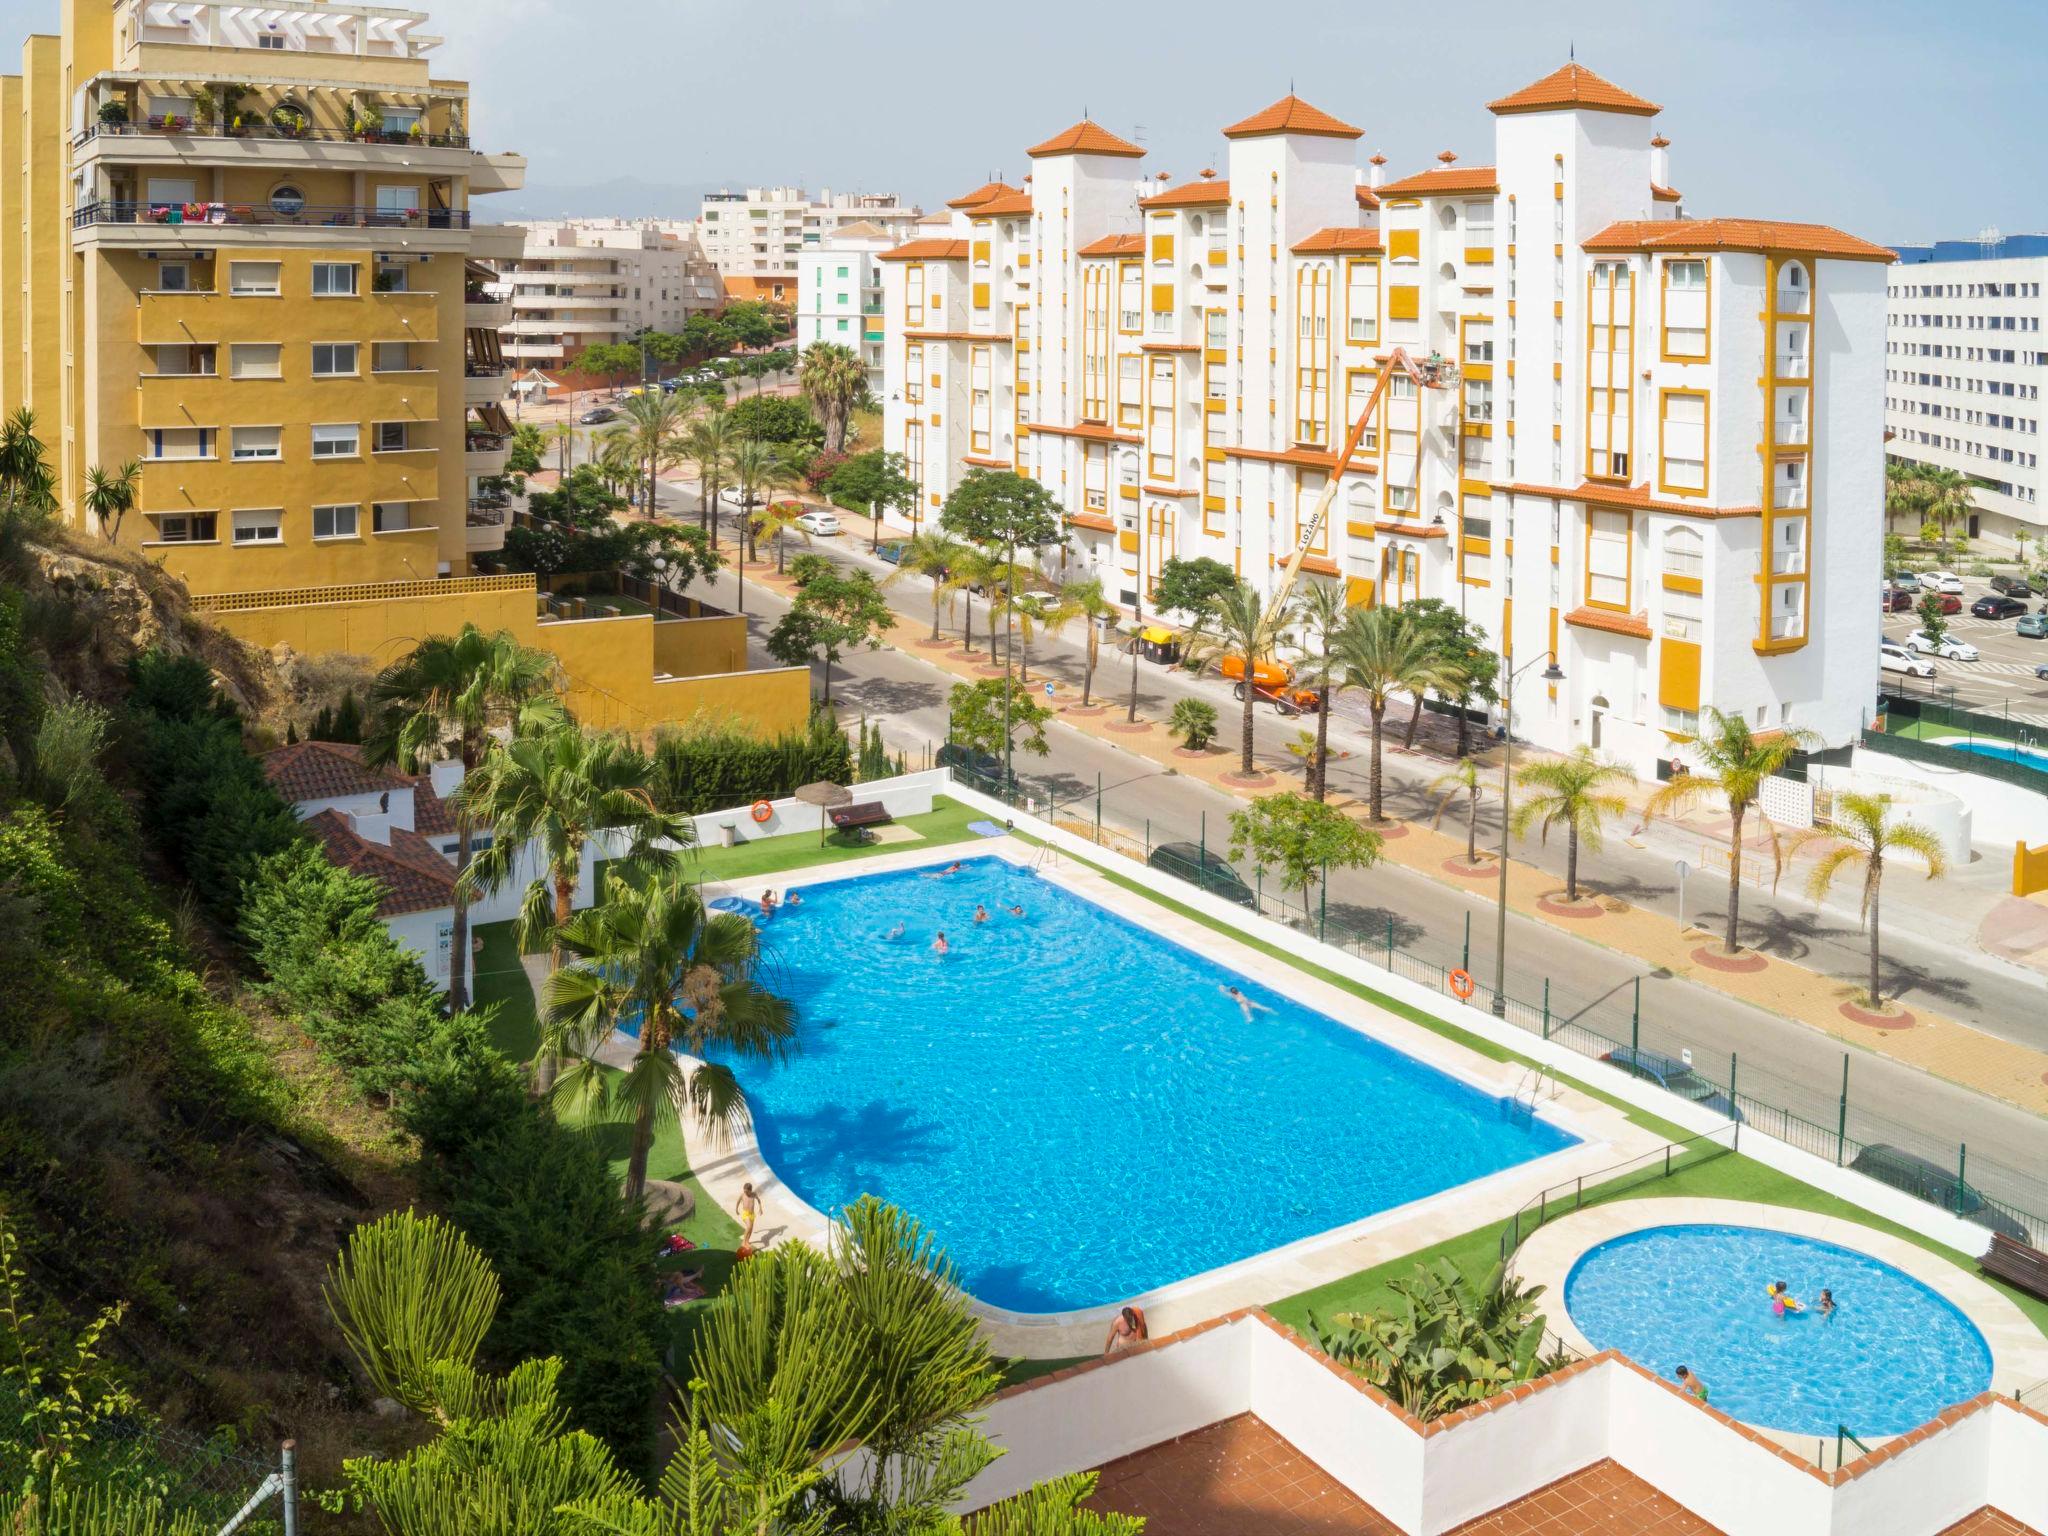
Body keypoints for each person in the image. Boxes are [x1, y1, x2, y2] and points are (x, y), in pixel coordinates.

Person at [735, 1182, 763, 1246]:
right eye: (744, 1191)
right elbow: (738, 1202)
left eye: (747, 1192)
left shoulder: (754, 1194)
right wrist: (736, 1209)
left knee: (751, 1229)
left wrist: (760, 1208)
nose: (746, 1193)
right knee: (749, 1226)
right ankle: (743, 1242)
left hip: (752, 1214)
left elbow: (759, 1200)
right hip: (745, 1214)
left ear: (750, 1191)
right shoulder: (742, 1195)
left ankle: (747, 1241)